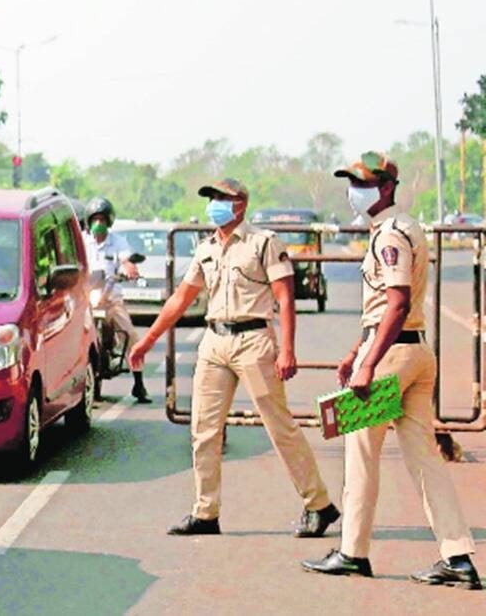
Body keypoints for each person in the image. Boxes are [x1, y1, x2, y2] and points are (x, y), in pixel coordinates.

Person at [302, 152, 479, 589]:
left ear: (385, 188)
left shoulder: (390, 236)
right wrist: (355, 351)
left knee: (361, 452)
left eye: (362, 184)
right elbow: (387, 308)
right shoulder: (404, 227)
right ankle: (457, 557)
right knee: (425, 461)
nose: (353, 192)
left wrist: (368, 363)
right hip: (412, 352)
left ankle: (352, 552)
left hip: (391, 357)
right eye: (351, 183)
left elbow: (396, 302)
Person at [128, 178, 338, 537]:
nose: (213, 204)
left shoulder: (263, 243)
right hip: (214, 341)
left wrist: (287, 349)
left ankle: (319, 504)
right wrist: (146, 341)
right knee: (204, 430)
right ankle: (205, 512)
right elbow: (181, 298)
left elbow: (285, 298)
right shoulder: (207, 248)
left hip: (254, 341)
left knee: (279, 427)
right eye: (210, 198)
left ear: (239, 204)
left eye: (220, 198)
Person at [81, 196, 150, 403]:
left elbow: (126, 259)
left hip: (111, 299)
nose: (99, 224)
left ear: (109, 221)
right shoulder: (83, 242)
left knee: (131, 335)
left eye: (103, 219)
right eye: (95, 219)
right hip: (87, 300)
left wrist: (129, 268)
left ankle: (139, 383)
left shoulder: (118, 241)